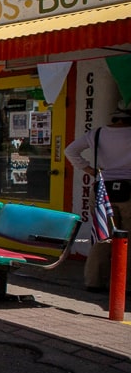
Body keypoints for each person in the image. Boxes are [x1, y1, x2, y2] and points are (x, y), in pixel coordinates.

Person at [64, 107, 131, 290]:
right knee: (128, 239)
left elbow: (70, 151)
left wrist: (90, 170)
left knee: (102, 236)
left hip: (103, 188)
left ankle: (94, 281)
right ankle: (125, 284)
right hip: (129, 188)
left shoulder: (98, 133)